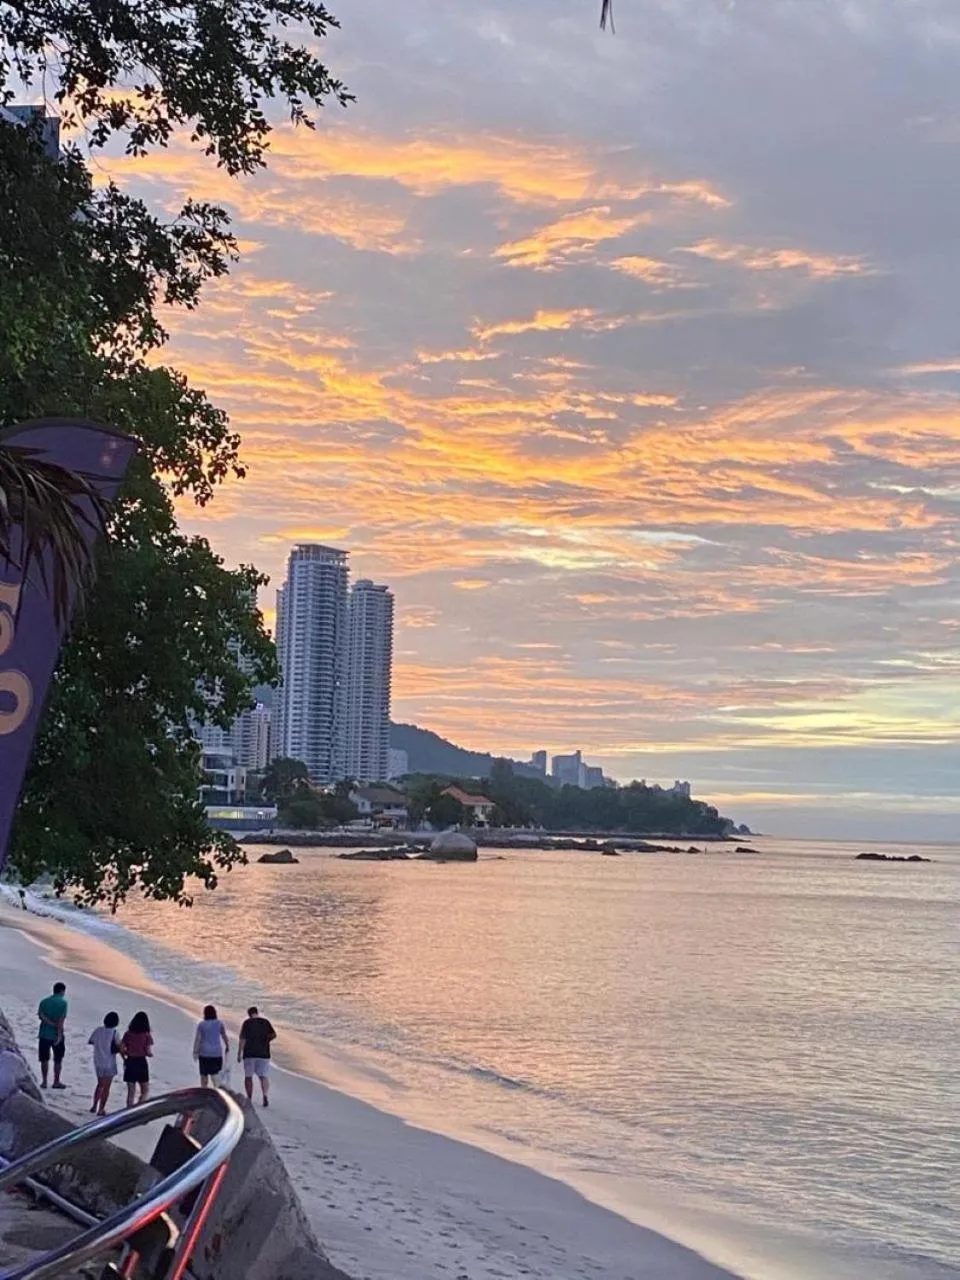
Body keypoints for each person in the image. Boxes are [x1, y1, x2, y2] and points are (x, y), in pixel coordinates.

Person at [237, 1005, 276, 1107]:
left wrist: (239, 1053)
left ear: (249, 1014)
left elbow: (242, 1039)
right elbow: (273, 1035)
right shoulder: (265, 1022)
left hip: (249, 1053)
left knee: (248, 1077)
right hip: (264, 1053)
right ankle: (265, 1095)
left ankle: (249, 1098)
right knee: (263, 1076)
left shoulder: (247, 1023)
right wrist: (266, 1041)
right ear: (257, 1013)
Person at [88, 1012, 121, 1115]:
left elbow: (91, 1041)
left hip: (98, 1061)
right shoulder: (115, 1032)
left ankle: (94, 1105)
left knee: (99, 1085)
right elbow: (119, 1045)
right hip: (109, 1062)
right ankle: (101, 1108)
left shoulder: (98, 1030)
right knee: (106, 1088)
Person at [37, 982, 68, 1090]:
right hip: (55, 1034)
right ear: (62, 991)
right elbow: (61, 1020)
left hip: (44, 1033)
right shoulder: (63, 1003)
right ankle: (56, 1081)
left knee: (44, 1059)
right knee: (58, 1059)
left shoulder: (44, 1001)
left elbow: (41, 1015)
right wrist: (59, 1035)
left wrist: (50, 1023)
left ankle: (44, 1081)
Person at [121, 1011, 153, 1108]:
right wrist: (150, 1054)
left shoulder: (128, 1034)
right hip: (141, 1062)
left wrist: (125, 1057)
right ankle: (138, 1107)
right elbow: (148, 1051)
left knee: (131, 1092)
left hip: (130, 1061)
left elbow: (122, 1049)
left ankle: (129, 1110)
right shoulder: (147, 1035)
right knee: (145, 1090)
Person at [193, 1005, 229, 1086]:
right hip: (216, 1053)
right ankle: (217, 1089)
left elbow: (198, 1039)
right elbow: (224, 1036)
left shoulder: (201, 1024)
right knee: (215, 1074)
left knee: (204, 1075)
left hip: (204, 1053)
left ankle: (204, 1090)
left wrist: (195, 1052)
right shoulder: (219, 1023)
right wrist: (227, 1045)